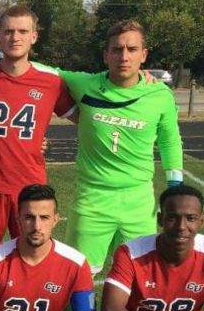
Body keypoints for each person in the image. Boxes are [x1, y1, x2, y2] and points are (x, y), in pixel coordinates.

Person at [61, 20, 183, 276]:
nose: (124, 56)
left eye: (131, 49)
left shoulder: (159, 95)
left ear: (144, 54)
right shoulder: (84, 84)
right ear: (106, 55)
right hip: (91, 199)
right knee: (79, 276)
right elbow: (37, 71)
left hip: (139, 202)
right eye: (116, 50)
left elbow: (170, 141)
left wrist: (175, 188)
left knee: (139, 278)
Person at [0, 6, 75, 260]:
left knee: (32, 257)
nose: (15, 37)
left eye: (22, 31)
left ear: (34, 36)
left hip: (30, 185)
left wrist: (138, 77)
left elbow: (85, 117)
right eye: (9, 31)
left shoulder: (51, 81)